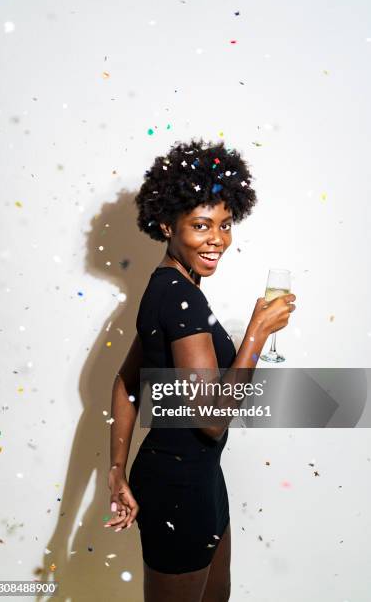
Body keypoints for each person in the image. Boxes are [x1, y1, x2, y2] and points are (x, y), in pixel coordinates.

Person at [104, 137, 296, 602]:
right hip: (178, 486)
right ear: (167, 224)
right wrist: (256, 334)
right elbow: (211, 421)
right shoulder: (179, 295)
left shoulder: (170, 288)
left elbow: (128, 382)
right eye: (201, 225)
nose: (218, 240)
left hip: (202, 478)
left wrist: (116, 469)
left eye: (225, 225)